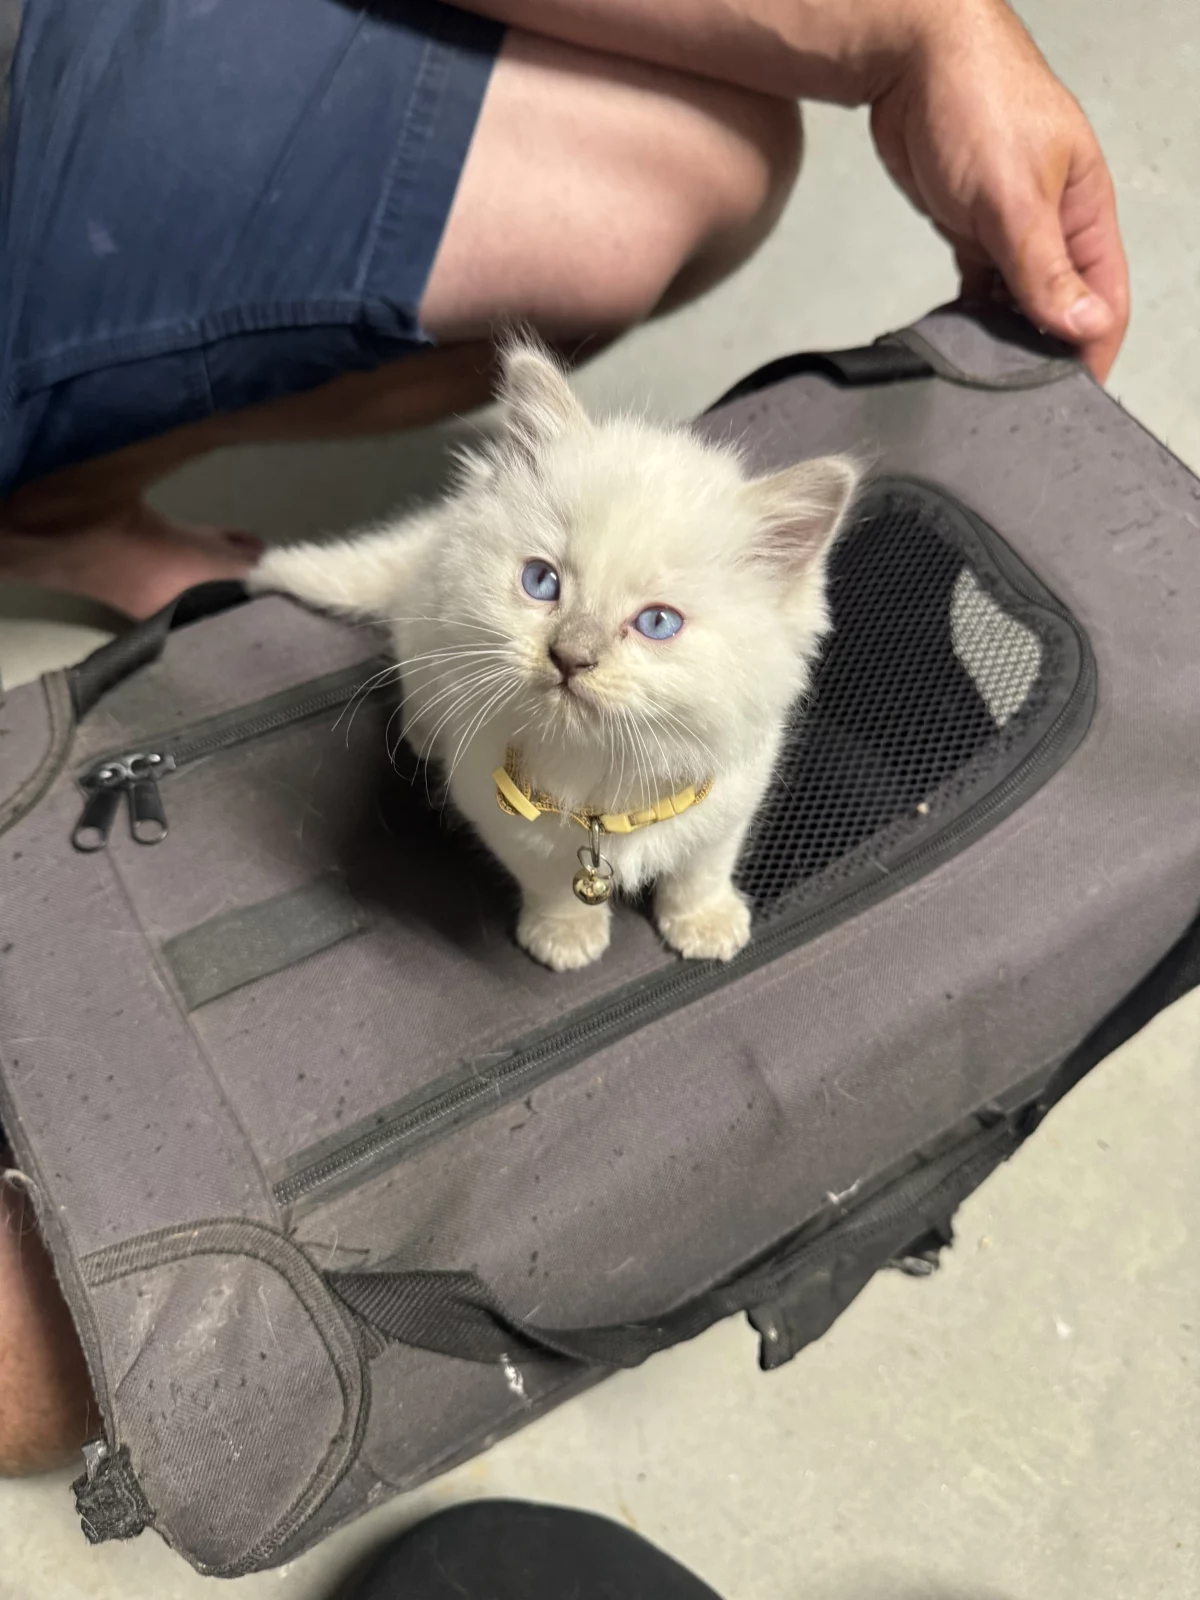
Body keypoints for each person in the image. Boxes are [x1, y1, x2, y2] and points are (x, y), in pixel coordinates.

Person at [0, 0, 1127, 1476]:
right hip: (505, 743)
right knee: (491, 758)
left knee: (701, 837)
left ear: (782, 609)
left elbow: (723, 792)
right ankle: (95, 515)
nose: (580, 647)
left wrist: (697, 881)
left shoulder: (749, 658)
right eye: (546, 586)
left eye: (652, 621)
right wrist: (557, 880)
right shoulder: (506, 662)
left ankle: (88, 508)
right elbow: (500, 682)